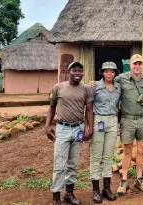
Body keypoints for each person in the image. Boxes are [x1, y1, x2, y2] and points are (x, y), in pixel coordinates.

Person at [89, 54, 143, 195]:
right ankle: (124, 180)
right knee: (128, 151)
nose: (137, 66)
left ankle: (139, 179)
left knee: (142, 149)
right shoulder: (120, 79)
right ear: (130, 65)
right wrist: (93, 84)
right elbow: (107, 83)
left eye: (139, 64)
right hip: (127, 119)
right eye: (134, 64)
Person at [45, 62, 94, 205]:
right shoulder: (58, 87)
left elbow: (89, 110)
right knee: (60, 163)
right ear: (69, 72)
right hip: (63, 128)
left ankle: (69, 194)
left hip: (78, 128)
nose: (78, 73)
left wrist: (89, 127)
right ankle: (56, 197)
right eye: (75, 71)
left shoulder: (86, 90)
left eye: (80, 71)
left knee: (73, 163)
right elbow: (52, 107)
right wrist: (47, 125)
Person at [90, 62, 121, 203]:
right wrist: (89, 125)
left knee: (108, 155)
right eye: (106, 71)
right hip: (99, 120)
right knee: (96, 155)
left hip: (112, 121)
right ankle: (96, 190)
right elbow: (89, 107)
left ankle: (106, 188)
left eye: (112, 71)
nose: (109, 74)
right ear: (102, 73)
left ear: (115, 73)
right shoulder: (94, 86)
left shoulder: (118, 87)